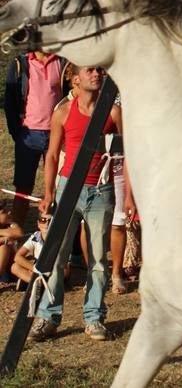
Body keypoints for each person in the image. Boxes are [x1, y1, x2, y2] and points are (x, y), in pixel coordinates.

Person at [30, 64, 122, 342]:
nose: (97, 74)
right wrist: (48, 193)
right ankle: (48, 317)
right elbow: (53, 155)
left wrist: (129, 196)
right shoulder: (63, 113)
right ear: (74, 78)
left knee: (97, 260)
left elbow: (127, 153)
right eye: (90, 70)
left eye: (100, 71)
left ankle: (94, 319)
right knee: (56, 256)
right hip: (68, 188)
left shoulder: (113, 112)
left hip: (101, 190)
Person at [4, 51, 68, 226]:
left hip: (57, 134)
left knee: (57, 187)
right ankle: (14, 237)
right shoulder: (20, 64)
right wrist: (17, 133)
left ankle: (53, 236)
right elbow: (9, 102)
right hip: (29, 134)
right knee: (23, 187)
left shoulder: (63, 62)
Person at [11, 210, 51, 284]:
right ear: (38, 224)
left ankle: (32, 282)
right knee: (15, 267)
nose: (47, 224)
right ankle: (38, 283)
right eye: (43, 220)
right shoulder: (36, 236)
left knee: (64, 270)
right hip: (38, 269)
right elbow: (17, 257)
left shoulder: (59, 238)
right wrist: (34, 269)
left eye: (51, 220)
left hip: (52, 269)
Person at [0, 200, 24, 284]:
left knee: (4, 247)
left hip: (7, 271)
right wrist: (4, 239)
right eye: (4, 212)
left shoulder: (11, 224)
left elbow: (19, 233)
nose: (9, 212)